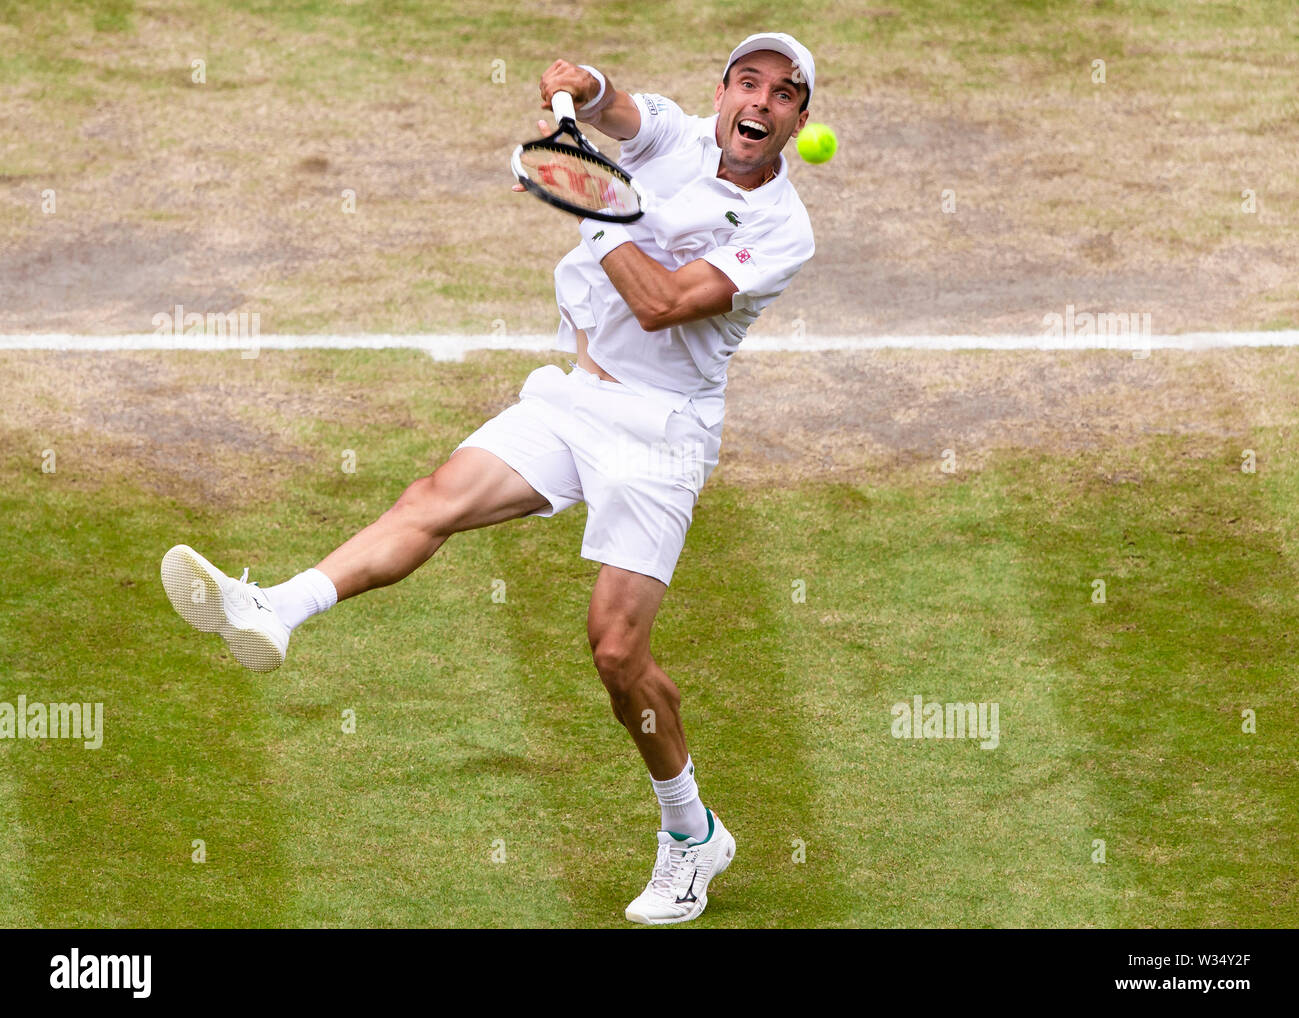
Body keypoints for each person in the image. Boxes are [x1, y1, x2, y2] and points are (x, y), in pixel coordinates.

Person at [161, 31, 816, 925]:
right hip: (577, 398)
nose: (762, 102)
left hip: (662, 432)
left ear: (799, 120)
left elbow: (663, 307)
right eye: (749, 82)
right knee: (432, 498)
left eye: (784, 94)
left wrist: (588, 200)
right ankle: (276, 606)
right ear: (723, 92)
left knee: (617, 655)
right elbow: (612, 106)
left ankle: (691, 833)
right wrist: (576, 88)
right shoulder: (673, 134)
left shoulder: (784, 229)